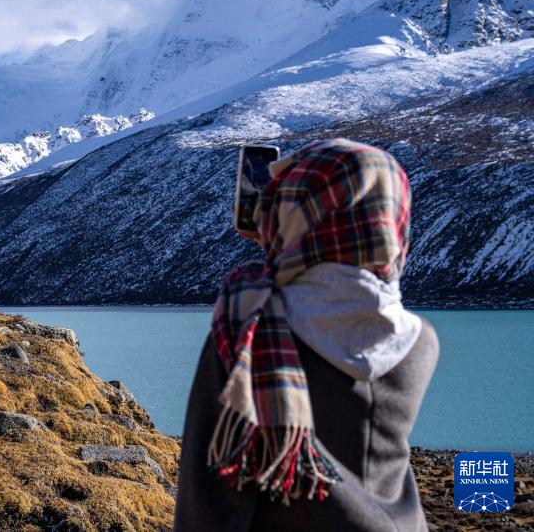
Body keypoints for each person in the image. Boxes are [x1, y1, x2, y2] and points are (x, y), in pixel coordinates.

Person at [173, 138, 439, 531]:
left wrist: (275, 240)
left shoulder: (251, 324)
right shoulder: (420, 341)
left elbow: (208, 493)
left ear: (291, 217)